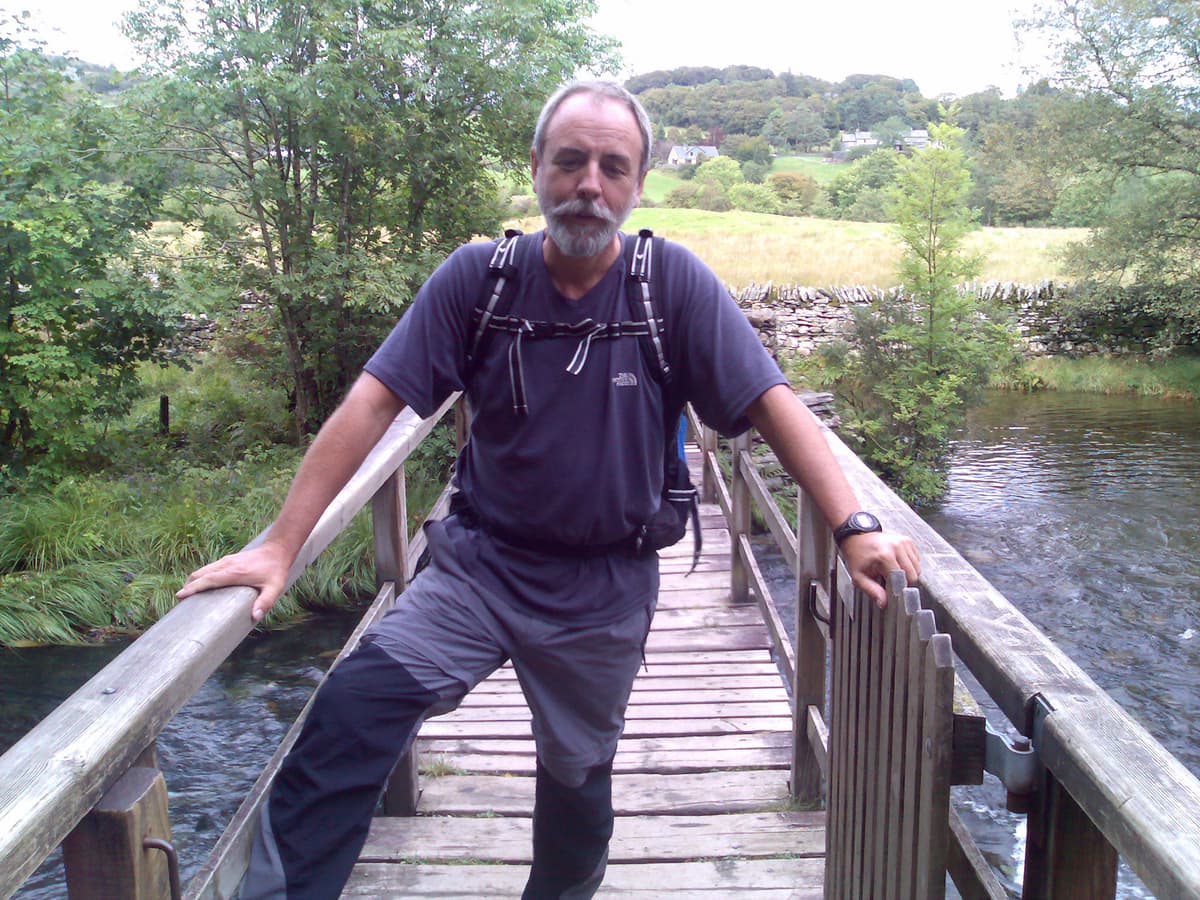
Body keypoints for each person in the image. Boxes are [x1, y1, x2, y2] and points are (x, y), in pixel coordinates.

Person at [178, 80, 921, 899]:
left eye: (612, 166)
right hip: (478, 570)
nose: (588, 185)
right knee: (353, 709)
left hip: (604, 589)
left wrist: (854, 526)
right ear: (536, 167)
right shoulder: (477, 281)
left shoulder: (668, 283)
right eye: (570, 161)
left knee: (576, 785)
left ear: (638, 184)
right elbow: (370, 404)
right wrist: (281, 543)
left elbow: (775, 406)